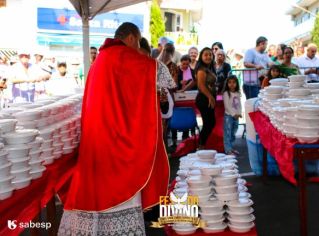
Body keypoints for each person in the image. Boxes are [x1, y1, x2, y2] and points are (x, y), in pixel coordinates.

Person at [58, 22, 169, 236]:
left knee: (96, 192)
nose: (137, 49)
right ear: (130, 38)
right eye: (137, 43)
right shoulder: (121, 55)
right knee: (118, 191)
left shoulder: (100, 59)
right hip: (114, 140)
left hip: (98, 136)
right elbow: (157, 70)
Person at [195, 47, 216, 149]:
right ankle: (201, 145)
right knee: (209, 123)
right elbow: (201, 85)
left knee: (210, 123)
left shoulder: (209, 68)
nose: (208, 56)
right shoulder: (201, 69)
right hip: (204, 99)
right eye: (206, 55)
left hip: (208, 98)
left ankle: (201, 144)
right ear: (201, 56)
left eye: (210, 54)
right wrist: (210, 97)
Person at [223, 74, 241, 155]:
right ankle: (228, 150)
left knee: (233, 133)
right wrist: (233, 114)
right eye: (229, 82)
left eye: (234, 82)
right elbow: (227, 106)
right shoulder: (226, 93)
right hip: (229, 116)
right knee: (228, 133)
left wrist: (239, 113)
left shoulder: (237, 93)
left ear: (237, 83)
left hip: (236, 116)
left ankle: (231, 147)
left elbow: (239, 104)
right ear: (227, 84)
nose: (232, 84)